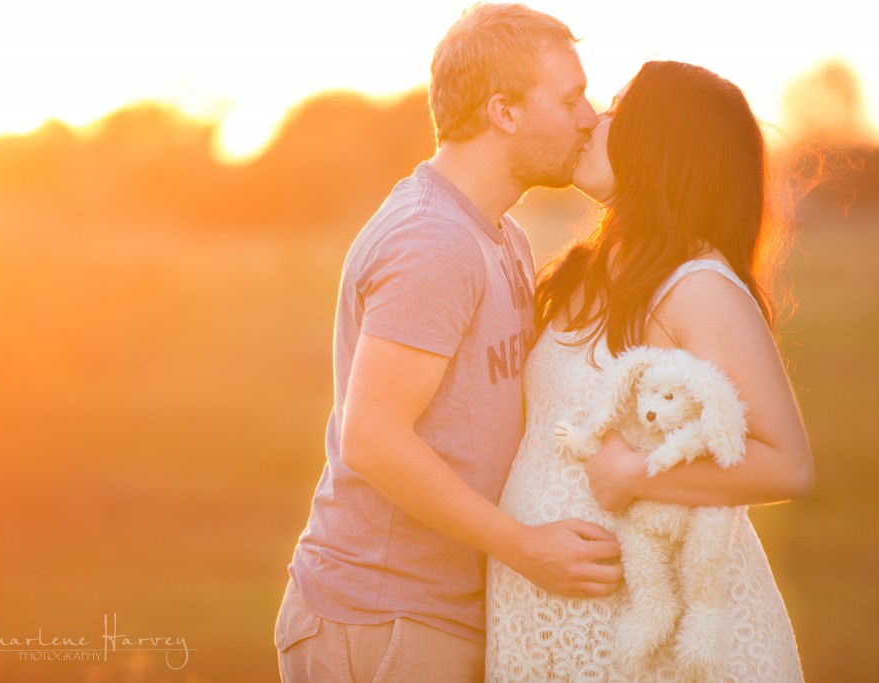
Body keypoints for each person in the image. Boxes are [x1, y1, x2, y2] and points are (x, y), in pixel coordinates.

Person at [275, 4, 626, 681]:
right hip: (385, 617)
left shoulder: (503, 237)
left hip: (437, 612)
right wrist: (524, 546)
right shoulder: (432, 240)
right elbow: (373, 437)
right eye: (570, 97)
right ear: (504, 111)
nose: (589, 117)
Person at [486, 60, 815, 681]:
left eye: (615, 110)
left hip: (655, 642)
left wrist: (636, 474)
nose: (592, 121)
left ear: (658, 146)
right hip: (554, 628)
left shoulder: (698, 287)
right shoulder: (587, 271)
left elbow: (787, 462)